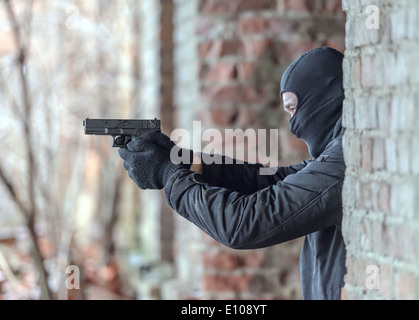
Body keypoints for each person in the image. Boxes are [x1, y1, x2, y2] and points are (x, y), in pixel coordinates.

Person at [118, 47, 347, 300]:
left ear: (322, 98)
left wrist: (168, 174)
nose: (294, 125)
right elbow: (270, 180)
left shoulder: (343, 162)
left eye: (294, 109)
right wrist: (181, 160)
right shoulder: (334, 156)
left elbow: (244, 224)